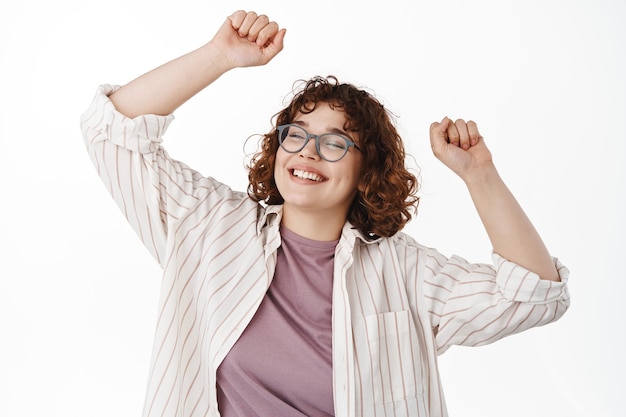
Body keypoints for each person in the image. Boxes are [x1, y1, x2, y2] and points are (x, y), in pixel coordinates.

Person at [80, 10, 570, 417]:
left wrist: (480, 175)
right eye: (296, 134)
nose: (308, 152)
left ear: (366, 170)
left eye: (335, 142)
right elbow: (110, 130)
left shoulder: (405, 271)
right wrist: (220, 56)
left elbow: (534, 297)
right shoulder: (209, 225)